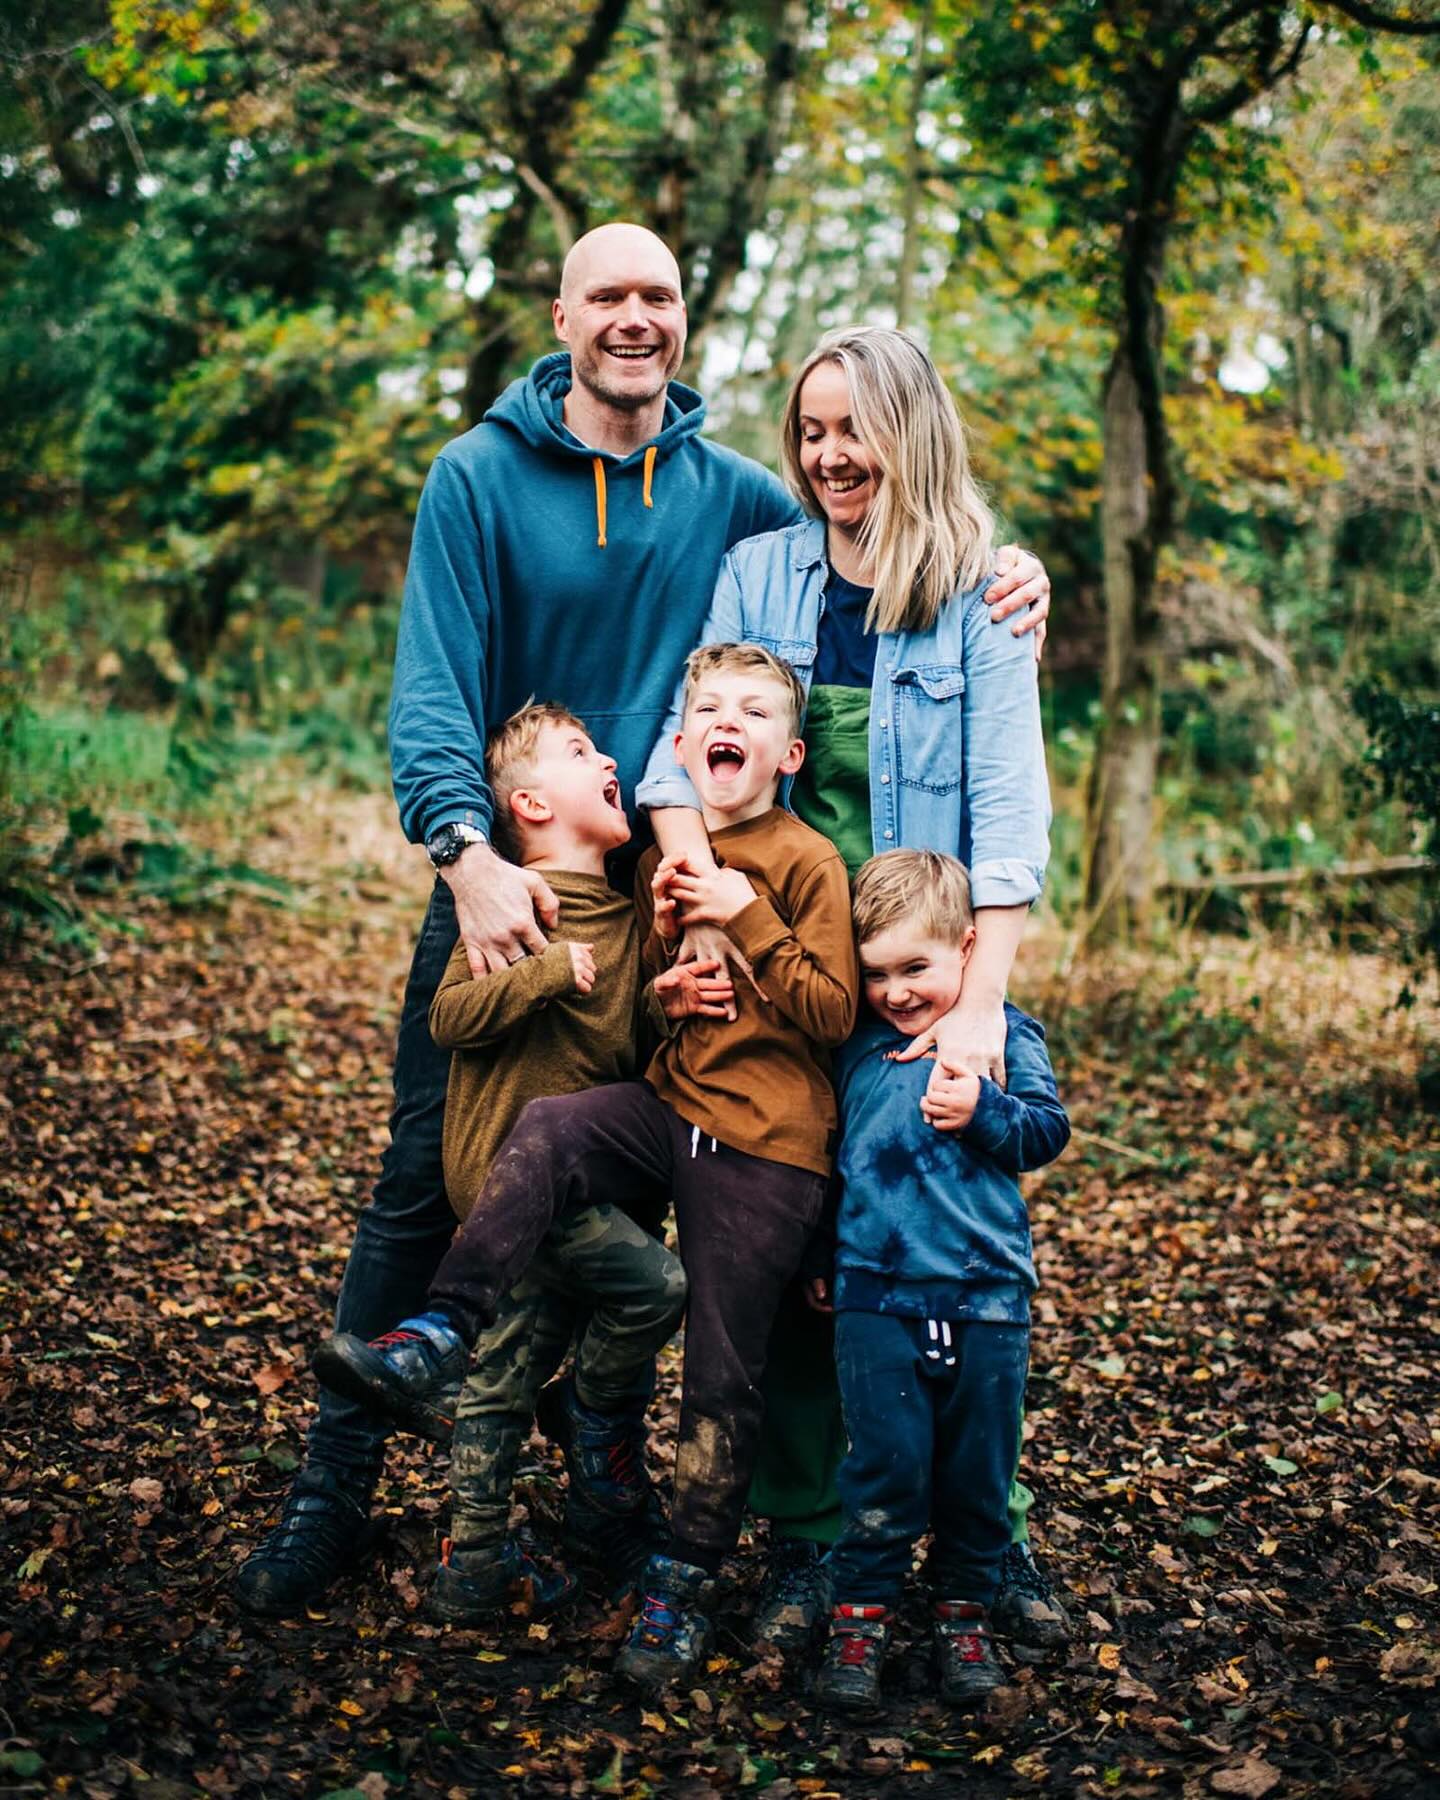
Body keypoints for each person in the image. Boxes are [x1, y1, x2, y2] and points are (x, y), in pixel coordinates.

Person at [233, 222, 1050, 1618]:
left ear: (684, 322)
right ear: (561, 313)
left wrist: (1014, 566)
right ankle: (336, 1488)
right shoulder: (479, 479)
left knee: (704, 1205)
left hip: (715, 918)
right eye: (607, 294)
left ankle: (611, 1479)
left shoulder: (736, 500)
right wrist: (463, 853)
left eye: (658, 297)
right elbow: (433, 692)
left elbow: (889, 525)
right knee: (430, 1187)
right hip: (517, 890)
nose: (634, 319)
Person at [637, 325, 1071, 1658]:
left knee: (930, 1259)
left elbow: (1006, 826)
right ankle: (813, 1540)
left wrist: (980, 1007)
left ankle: (975, 1544)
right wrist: (704, 916)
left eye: (853, 428)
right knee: (791, 1263)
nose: (829, 456)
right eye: (810, 430)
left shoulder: (981, 601)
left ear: (912, 430)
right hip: (772, 984)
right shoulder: (757, 573)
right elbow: (675, 759)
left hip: (909, 988)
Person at [316, 643, 857, 1689]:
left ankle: (683, 1582)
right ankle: (442, 1327)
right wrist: (664, 990)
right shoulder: (657, 863)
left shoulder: (808, 861)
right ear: (683, 743)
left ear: (788, 752)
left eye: (751, 709)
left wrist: (741, 909)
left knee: (720, 1375)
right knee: (555, 1126)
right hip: (669, 1110)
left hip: (766, 1144)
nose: (724, 719)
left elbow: (833, 1011)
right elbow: (643, 1019)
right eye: (706, 707)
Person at [315, 700, 722, 1623]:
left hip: (579, 1191)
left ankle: (478, 1556)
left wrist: (665, 1001)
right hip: (497, 1176)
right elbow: (448, 1020)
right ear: (531, 803)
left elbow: (624, 1056)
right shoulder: (501, 908)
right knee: (655, 1288)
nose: (612, 758)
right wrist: (539, 972)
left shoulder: (627, 922)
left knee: (501, 1370)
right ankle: (583, 1413)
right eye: (584, 752)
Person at [805, 850, 1069, 1713]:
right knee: (884, 1466)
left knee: (977, 1475)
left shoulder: (1004, 1033)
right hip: (875, 1295)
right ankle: (860, 1620)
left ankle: (964, 1619)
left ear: (966, 947)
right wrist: (820, 1257)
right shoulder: (857, 1050)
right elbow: (833, 1161)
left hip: (988, 1295)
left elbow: (1044, 1132)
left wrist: (983, 1111)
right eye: (877, 973)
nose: (897, 992)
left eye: (915, 967)